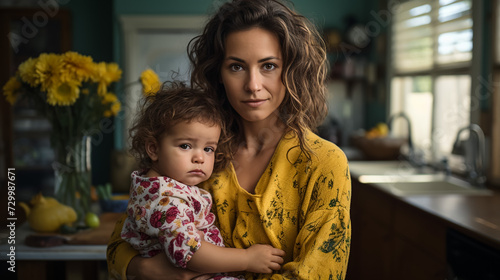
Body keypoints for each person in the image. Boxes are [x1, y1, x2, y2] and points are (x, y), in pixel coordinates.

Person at [107, 0, 351, 279]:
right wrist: (147, 269)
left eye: (268, 66)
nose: (253, 85)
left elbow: (320, 273)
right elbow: (120, 243)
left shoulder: (323, 163)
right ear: (218, 74)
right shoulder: (197, 151)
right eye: (236, 67)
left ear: (290, 70)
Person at [120, 81, 285, 279]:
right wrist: (247, 259)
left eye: (208, 149)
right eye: (186, 146)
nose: (200, 158)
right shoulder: (165, 199)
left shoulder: (153, 187)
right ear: (153, 149)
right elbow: (191, 254)